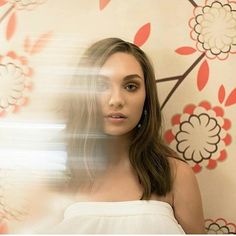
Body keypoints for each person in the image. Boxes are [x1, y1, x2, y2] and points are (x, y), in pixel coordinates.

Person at [51, 37, 205, 234]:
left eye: (131, 86)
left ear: (146, 97)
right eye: (101, 85)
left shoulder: (176, 175)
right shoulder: (57, 178)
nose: (116, 100)